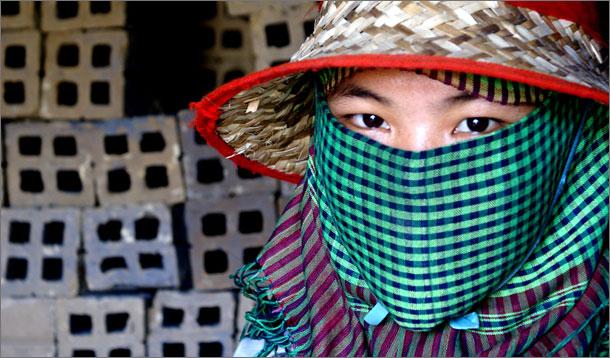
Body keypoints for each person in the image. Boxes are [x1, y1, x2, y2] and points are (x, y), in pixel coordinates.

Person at [190, 1, 608, 356]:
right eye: (370, 121)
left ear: (577, 139)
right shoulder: (295, 320)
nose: (414, 180)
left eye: (477, 124)